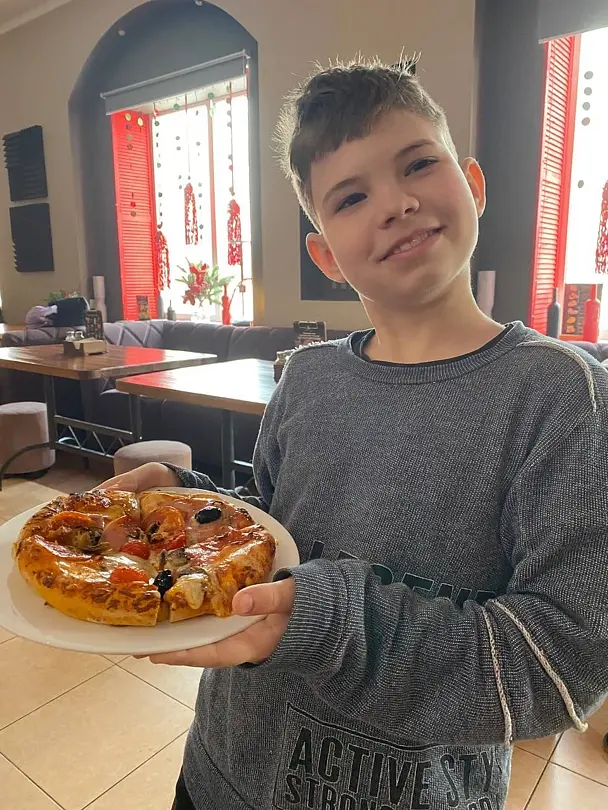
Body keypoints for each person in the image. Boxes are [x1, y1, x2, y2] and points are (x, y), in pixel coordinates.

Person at [100, 57, 608, 810]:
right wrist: (191, 506)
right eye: (351, 197)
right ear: (326, 257)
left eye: (418, 164)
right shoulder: (306, 376)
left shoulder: (562, 396)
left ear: (473, 184)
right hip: (220, 770)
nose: (396, 203)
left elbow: (560, 667)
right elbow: (273, 533)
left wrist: (328, 621)